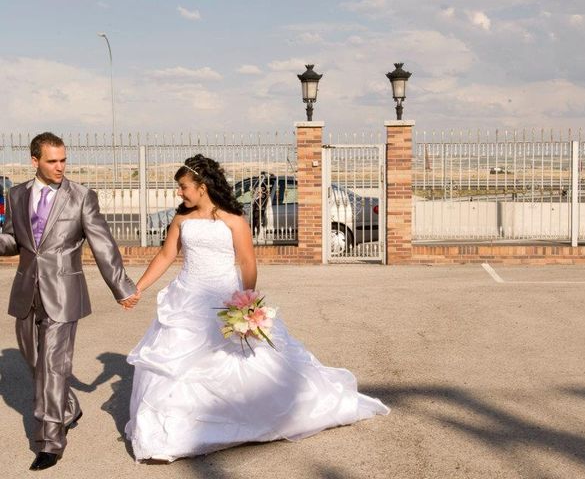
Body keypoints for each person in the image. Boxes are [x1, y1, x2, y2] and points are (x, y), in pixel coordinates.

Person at [126, 154, 389, 462]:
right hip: (186, 298)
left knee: (248, 362)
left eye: (183, 187)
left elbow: (248, 261)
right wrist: (139, 288)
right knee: (174, 362)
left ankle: (252, 418)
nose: (179, 193)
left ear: (203, 186)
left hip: (225, 297)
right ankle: (172, 431)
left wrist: (247, 302)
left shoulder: (234, 221)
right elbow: (165, 256)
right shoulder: (181, 220)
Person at [0, 132, 140, 471]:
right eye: (52, 161)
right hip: (25, 292)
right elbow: (12, 240)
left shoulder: (81, 197)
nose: (60, 167)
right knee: (37, 366)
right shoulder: (16, 195)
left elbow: (103, 244)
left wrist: (121, 287)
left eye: (63, 160)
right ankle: (66, 408)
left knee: (52, 366)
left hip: (63, 294)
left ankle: (49, 441)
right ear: (34, 161)